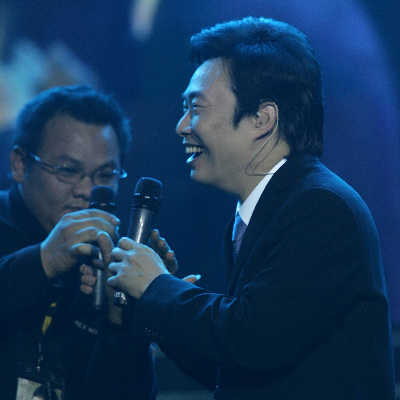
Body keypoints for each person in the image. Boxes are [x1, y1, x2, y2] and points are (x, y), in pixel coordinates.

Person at [102, 17, 395, 399]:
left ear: (262, 119)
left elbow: (251, 338)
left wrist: (158, 287)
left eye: (196, 108)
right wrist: (155, 299)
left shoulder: (321, 208)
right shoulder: (262, 212)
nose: (182, 126)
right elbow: (235, 369)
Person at [0, 85, 159, 400]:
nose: (87, 190)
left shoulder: (111, 260)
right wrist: (45, 260)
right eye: (68, 171)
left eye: (106, 175)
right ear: (19, 164)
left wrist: (120, 320)